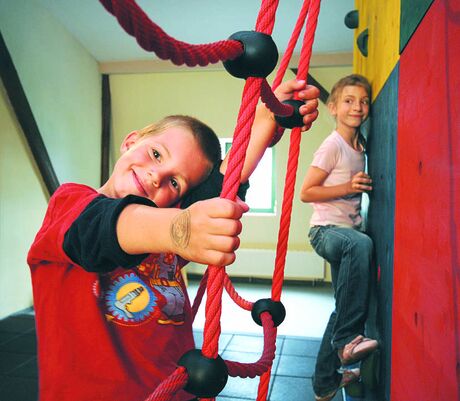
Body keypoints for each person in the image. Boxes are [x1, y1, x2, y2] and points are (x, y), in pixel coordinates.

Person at [27, 79, 320, 401]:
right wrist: (179, 229)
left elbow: (226, 182)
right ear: (130, 141)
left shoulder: (165, 220)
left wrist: (266, 120)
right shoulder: (69, 203)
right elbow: (97, 230)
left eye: (176, 183)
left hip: (176, 389)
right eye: (155, 154)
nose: (156, 176)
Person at [299, 74, 378, 401]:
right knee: (361, 243)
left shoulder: (360, 145)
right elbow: (307, 191)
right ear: (332, 107)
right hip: (326, 232)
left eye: (362, 101)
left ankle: (324, 382)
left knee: (341, 307)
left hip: (346, 236)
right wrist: (348, 187)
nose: (356, 107)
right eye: (348, 101)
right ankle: (347, 341)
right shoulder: (333, 146)